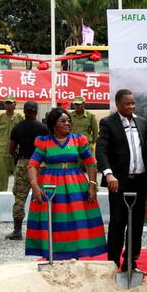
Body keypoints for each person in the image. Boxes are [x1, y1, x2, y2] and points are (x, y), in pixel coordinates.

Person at [25, 108, 106, 259]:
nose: (68, 123)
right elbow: (32, 165)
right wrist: (35, 187)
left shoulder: (78, 140)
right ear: (53, 125)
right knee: (54, 220)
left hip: (76, 185)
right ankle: (53, 255)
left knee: (77, 219)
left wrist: (93, 184)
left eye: (69, 120)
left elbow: (91, 163)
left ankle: (77, 254)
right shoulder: (44, 142)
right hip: (51, 188)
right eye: (63, 121)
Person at [96, 89, 147, 271]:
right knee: (118, 223)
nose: (131, 106)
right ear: (117, 104)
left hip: (140, 181)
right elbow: (101, 151)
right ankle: (113, 263)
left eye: (133, 103)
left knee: (136, 225)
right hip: (118, 182)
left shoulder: (142, 122)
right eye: (127, 103)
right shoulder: (108, 123)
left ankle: (131, 262)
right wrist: (108, 173)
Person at [5, 101, 49, 240]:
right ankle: (44, 230)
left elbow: (11, 149)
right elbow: (48, 148)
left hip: (24, 163)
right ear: (36, 112)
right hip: (40, 165)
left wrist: (18, 158)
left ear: (24, 111)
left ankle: (17, 231)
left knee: (20, 197)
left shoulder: (18, 127)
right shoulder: (44, 128)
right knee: (42, 196)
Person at [0, 96, 23, 191]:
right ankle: (2, 199)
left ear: (15, 104)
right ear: (4, 105)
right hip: (3, 152)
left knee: (18, 177)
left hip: (16, 152)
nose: (8, 105)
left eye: (10, 103)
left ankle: (18, 197)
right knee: (2, 176)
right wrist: (3, 142)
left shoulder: (20, 118)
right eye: (6, 103)